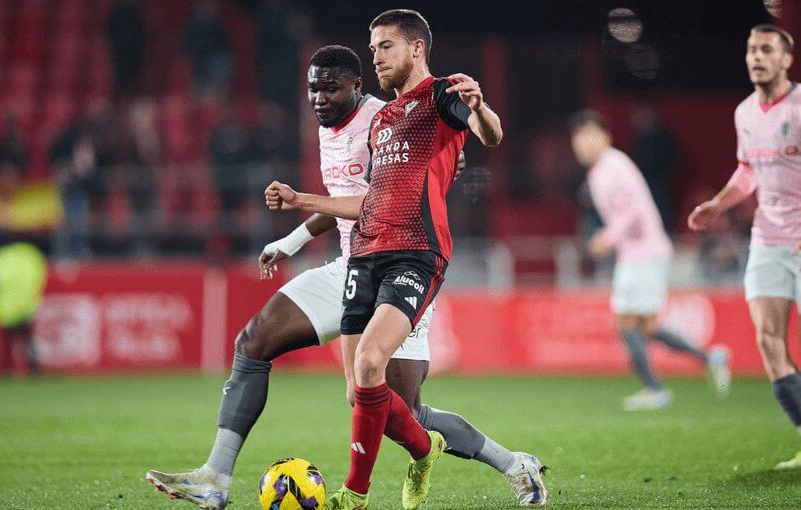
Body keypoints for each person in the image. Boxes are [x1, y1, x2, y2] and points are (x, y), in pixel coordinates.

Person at [146, 44, 543, 509]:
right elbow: (341, 198)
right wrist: (290, 243)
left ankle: (514, 463)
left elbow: (376, 201)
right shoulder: (328, 127)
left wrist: (300, 200)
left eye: (330, 88)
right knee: (253, 341)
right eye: (313, 89)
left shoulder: (385, 120)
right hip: (350, 267)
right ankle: (215, 476)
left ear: (358, 86)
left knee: (401, 411)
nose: (319, 98)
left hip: (401, 267)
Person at [265, 10, 545, 509]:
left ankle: (354, 495)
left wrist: (479, 110)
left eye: (385, 47)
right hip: (364, 257)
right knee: (367, 395)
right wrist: (302, 209)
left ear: (416, 48)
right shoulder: (384, 120)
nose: (376, 57)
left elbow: (492, 135)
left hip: (415, 255)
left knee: (374, 367)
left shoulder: (444, 94)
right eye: (372, 49)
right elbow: (371, 198)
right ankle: (431, 451)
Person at [688, 24, 801, 470]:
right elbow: (747, 171)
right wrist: (717, 205)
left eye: (766, 49)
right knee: (769, 340)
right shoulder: (745, 113)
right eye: (751, 49)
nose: (756, 56)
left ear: (786, 59)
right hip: (768, 241)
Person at [568, 110, 732, 411]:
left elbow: (632, 209)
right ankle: (710, 358)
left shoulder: (612, 166)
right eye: (579, 138)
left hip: (642, 251)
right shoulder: (603, 170)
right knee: (645, 325)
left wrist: (608, 238)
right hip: (641, 251)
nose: (583, 144)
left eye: (589, 136)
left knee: (626, 321)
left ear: (606, 136)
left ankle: (655, 389)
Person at [0, 242, 47, 378]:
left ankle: (6, 370)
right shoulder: (31, 256)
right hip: (26, 307)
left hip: (5, 309)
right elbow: (40, 279)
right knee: (28, 341)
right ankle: (34, 369)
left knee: (7, 344)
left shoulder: (0, 258)